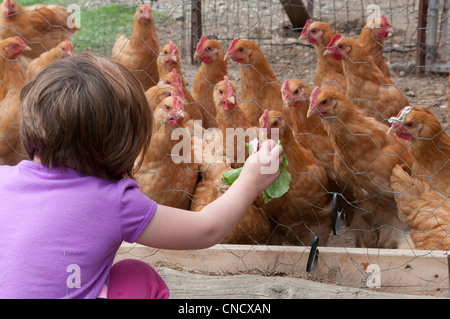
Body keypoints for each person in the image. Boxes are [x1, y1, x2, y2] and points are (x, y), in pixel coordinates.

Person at [0, 53, 282, 299]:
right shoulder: (113, 201)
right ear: (123, 141)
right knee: (137, 276)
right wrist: (251, 180)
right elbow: (206, 227)